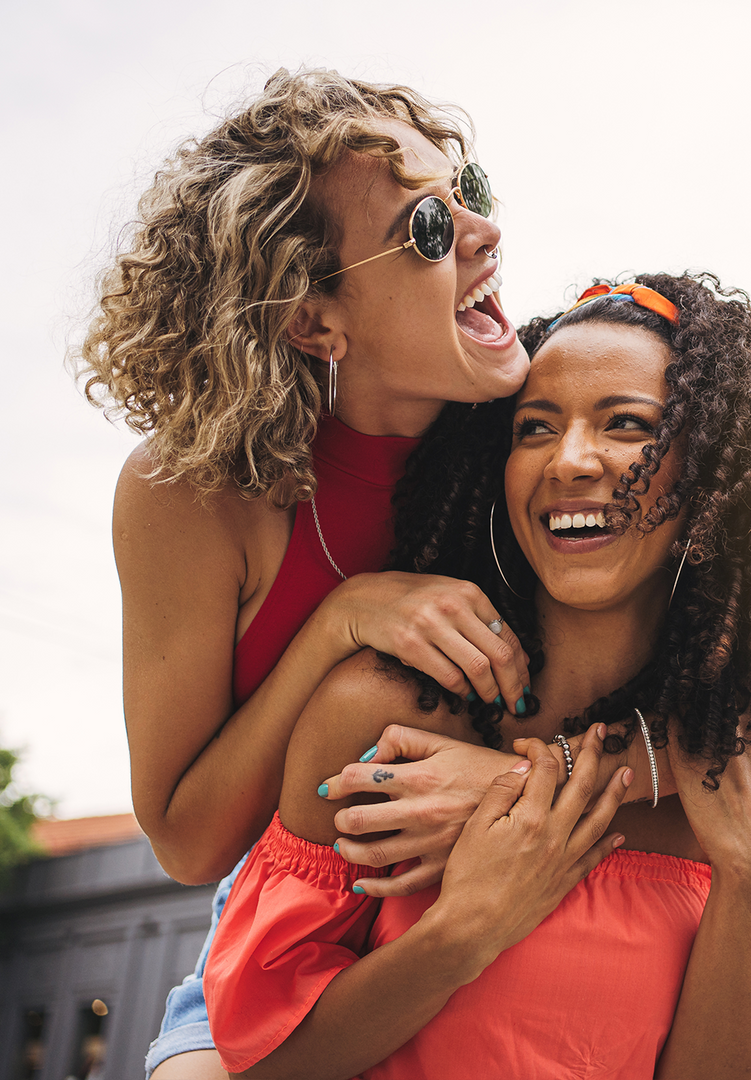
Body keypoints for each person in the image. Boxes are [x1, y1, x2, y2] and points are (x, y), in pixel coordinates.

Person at [203, 272, 751, 1079]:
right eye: (535, 428)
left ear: (714, 481)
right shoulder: (380, 720)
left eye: (628, 426)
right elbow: (259, 1064)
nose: (571, 461)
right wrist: (466, 931)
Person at [76, 67, 560, 1080]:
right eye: (431, 230)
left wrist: (513, 786)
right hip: (285, 926)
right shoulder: (194, 495)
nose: (483, 234)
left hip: (528, 907)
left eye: (469, 192)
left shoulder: (561, 428)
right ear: (314, 321)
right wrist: (339, 624)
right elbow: (188, 840)